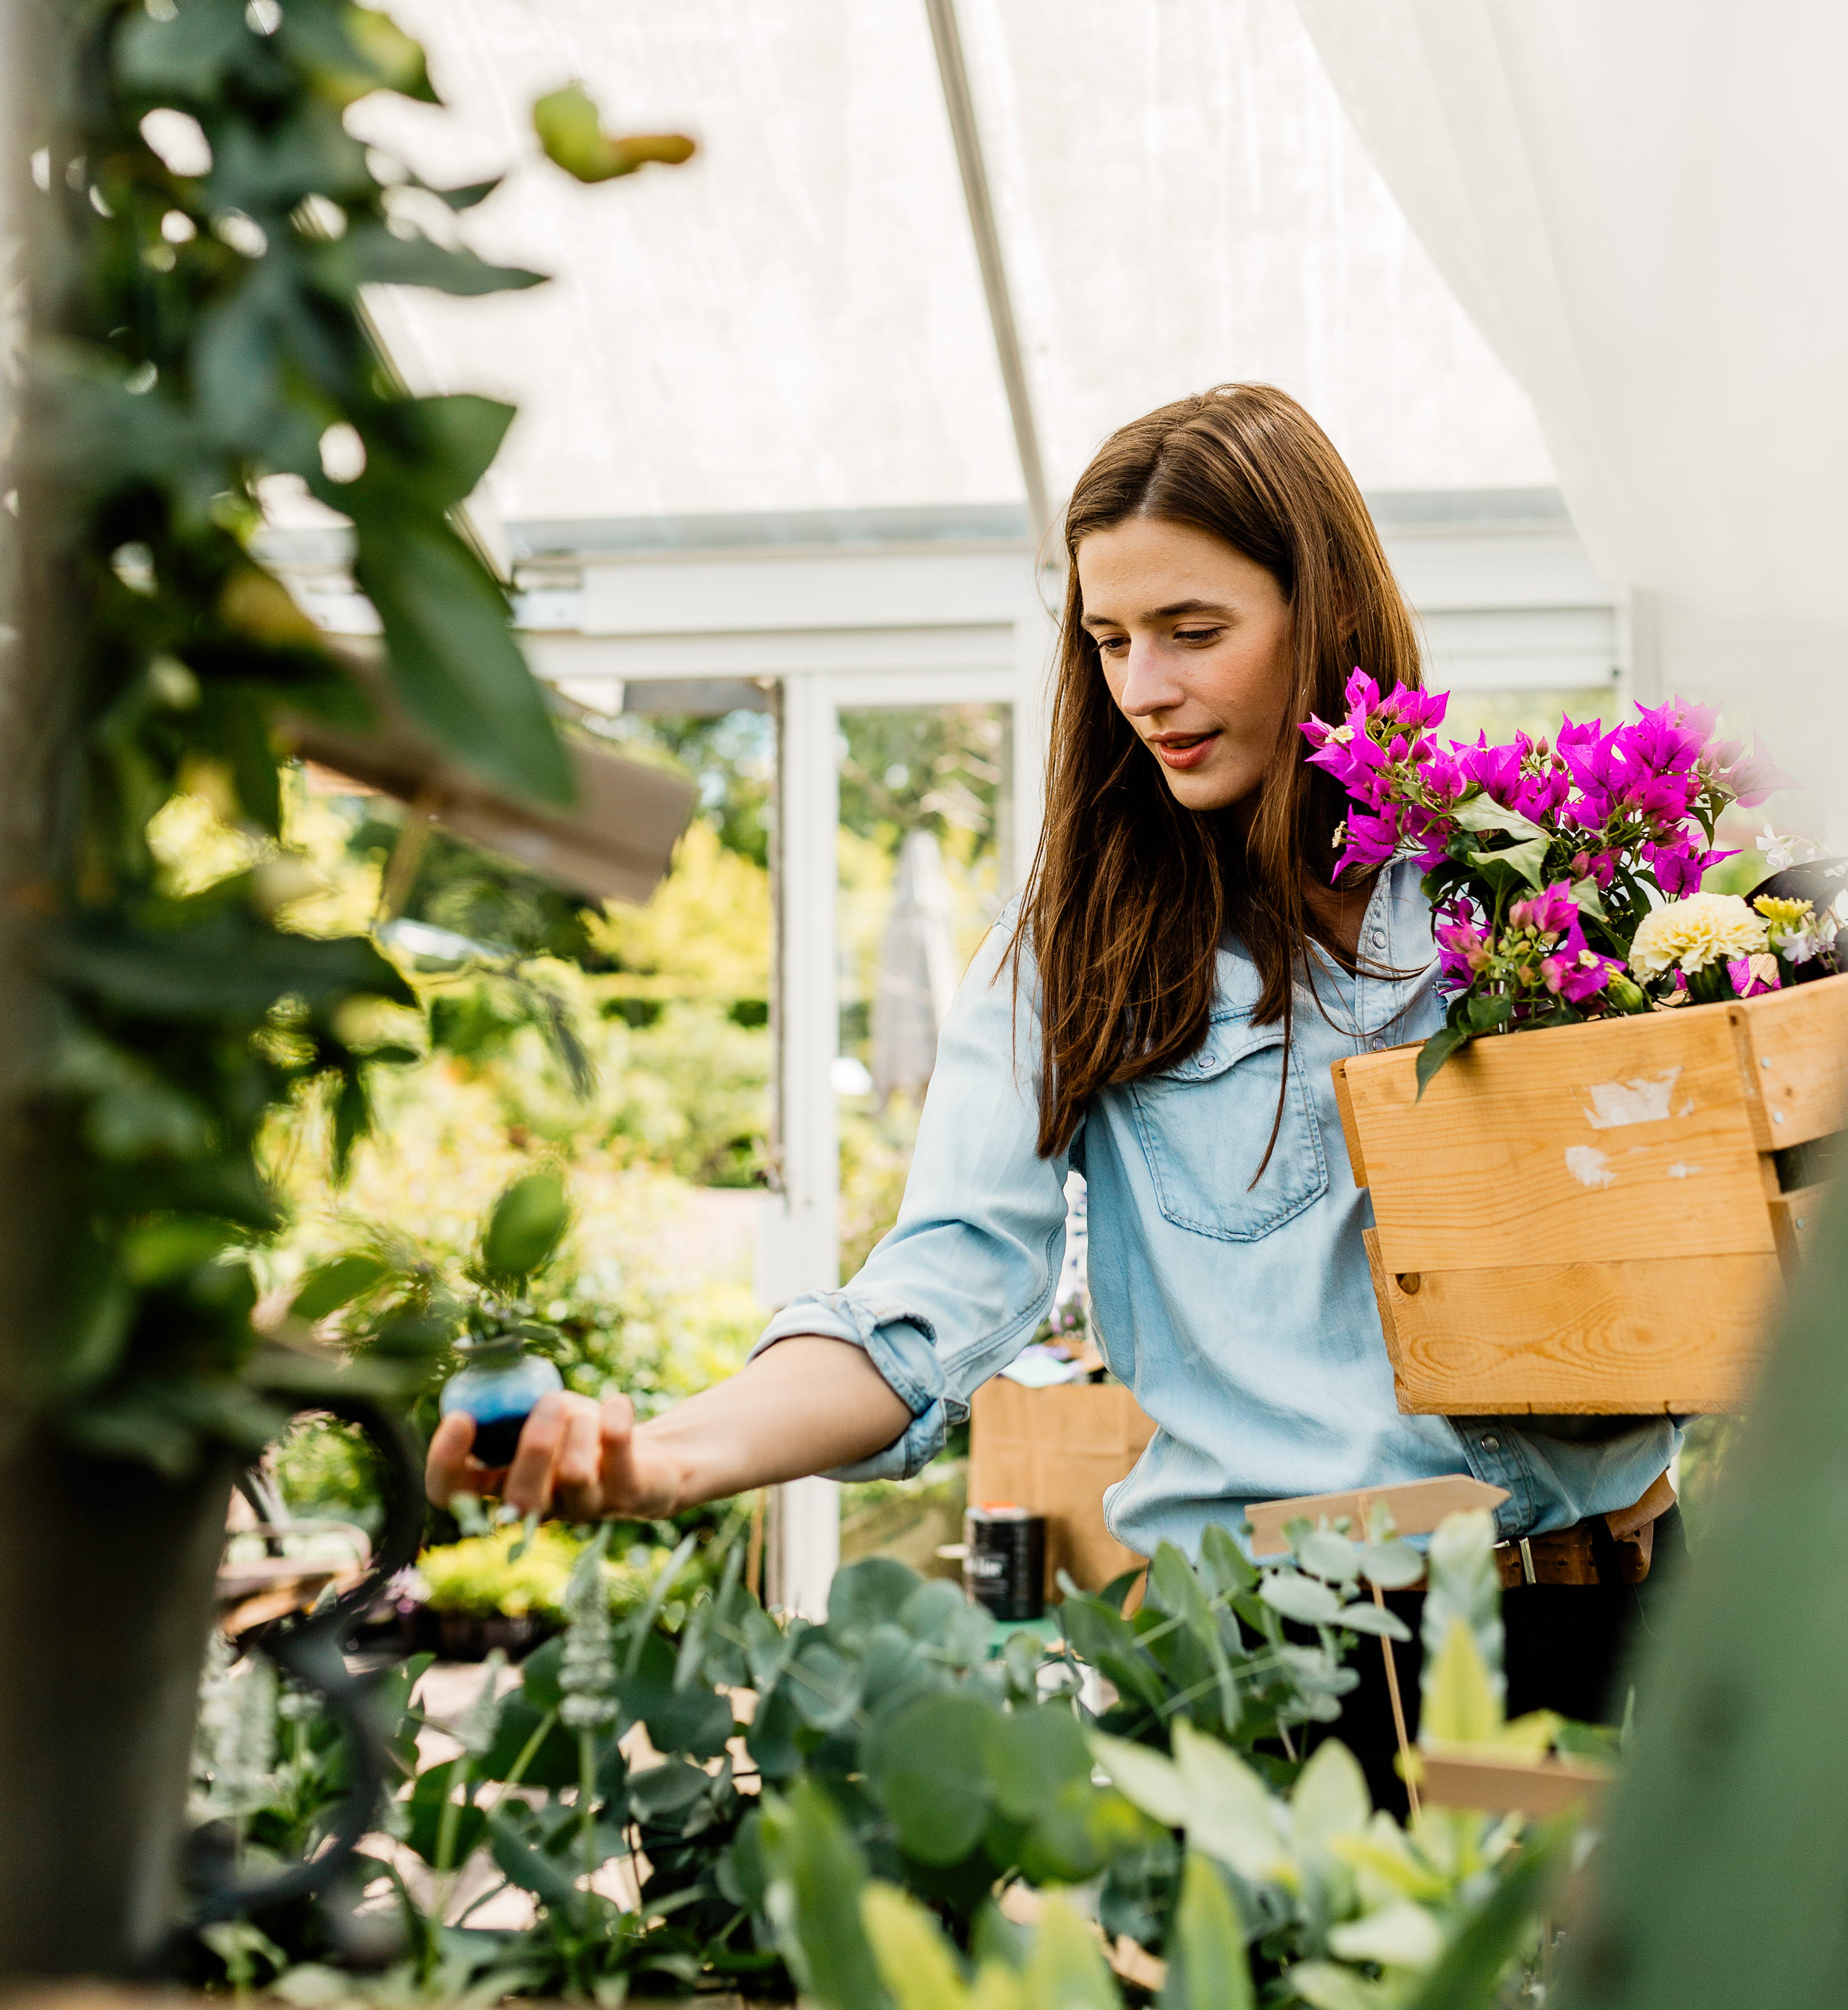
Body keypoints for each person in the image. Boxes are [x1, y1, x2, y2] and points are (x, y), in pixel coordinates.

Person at [427, 383, 1680, 1808]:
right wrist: (655, 1457)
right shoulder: (1075, 964)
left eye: (1192, 633)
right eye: (1108, 640)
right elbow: (928, 1303)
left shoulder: (1521, 897)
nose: (1142, 687)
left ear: (1323, 614)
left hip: (1628, 1615)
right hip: (1307, 1671)